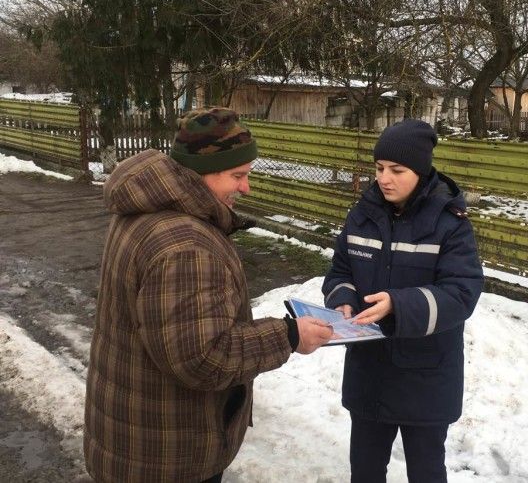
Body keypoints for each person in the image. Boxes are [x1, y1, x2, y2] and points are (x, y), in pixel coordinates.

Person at [84, 107, 333, 482]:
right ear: (200, 173)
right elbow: (203, 358)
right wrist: (290, 335)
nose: (246, 187)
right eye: (237, 175)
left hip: (133, 435)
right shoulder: (186, 246)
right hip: (167, 456)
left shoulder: (146, 209)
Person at [322, 119, 484, 482]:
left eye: (397, 170)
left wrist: (399, 304)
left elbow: (462, 291)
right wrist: (343, 300)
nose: (384, 178)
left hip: (425, 377)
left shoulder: (450, 222)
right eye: (379, 168)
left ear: (421, 171)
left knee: (426, 471)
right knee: (365, 470)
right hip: (370, 372)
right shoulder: (362, 215)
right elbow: (340, 270)